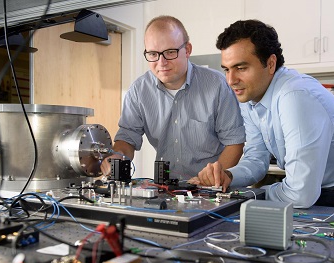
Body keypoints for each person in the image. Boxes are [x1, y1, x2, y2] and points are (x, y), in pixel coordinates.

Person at [195, 19, 334, 209]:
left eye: (241, 68)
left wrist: (249, 195)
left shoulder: (295, 96)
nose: (231, 80)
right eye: (227, 70)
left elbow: (300, 194)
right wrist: (229, 176)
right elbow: (256, 158)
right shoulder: (251, 97)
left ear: (271, 64)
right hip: (309, 188)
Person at [101, 15, 245, 180]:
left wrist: (214, 177)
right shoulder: (138, 91)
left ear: (188, 50)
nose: (162, 62)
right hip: (165, 188)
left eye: (170, 52)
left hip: (210, 188)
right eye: (153, 54)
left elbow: (234, 143)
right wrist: (118, 156)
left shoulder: (217, 85)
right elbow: (127, 138)